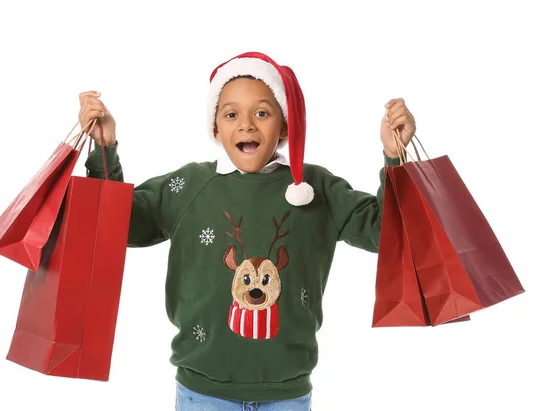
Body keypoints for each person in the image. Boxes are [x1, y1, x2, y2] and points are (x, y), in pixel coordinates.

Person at [81, 51, 416, 410]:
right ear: (215, 128)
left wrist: (393, 155)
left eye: (261, 112)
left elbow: (388, 233)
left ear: (285, 125)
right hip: (202, 392)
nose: (246, 125)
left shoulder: (316, 188)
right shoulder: (188, 185)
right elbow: (114, 225)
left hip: (287, 394)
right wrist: (104, 149)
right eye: (230, 114)